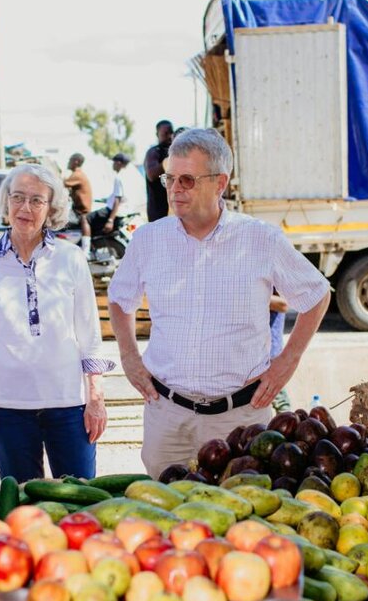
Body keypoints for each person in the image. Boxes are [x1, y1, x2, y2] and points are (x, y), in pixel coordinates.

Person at [109, 128, 330, 478]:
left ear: (220, 183)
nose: (175, 189)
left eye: (187, 180)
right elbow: (120, 299)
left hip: (241, 421)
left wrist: (287, 360)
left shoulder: (261, 239)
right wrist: (129, 357)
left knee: (242, 510)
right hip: (168, 418)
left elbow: (317, 295)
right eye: (169, 178)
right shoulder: (148, 240)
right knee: (163, 508)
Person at [0, 163, 113, 482]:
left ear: (52, 208)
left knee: (79, 497)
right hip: (4, 406)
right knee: (22, 500)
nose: (25, 207)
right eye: (18, 197)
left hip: (68, 404)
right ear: (6, 201)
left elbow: (90, 335)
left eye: (37, 200)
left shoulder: (70, 257)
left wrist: (95, 399)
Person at [87, 152, 130, 235]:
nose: (112, 165)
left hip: (114, 212)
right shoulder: (129, 176)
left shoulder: (119, 177)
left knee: (85, 219)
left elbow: (117, 199)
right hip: (127, 211)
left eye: (114, 162)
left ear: (118, 163)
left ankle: (86, 243)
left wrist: (110, 220)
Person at [144, 120, 174, 223]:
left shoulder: (175, 151)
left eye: (171, 132)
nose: (169, 136)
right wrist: (167, 162)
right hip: (158, 211)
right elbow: (151, 174)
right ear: (157, 134)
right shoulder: (154, 152)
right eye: (165, 133)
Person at [63, 153, 93, 255]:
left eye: (70, 160)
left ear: (76, 162)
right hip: (78, 208)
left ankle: (85, 250)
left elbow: (63, 183)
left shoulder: (77, 174)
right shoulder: (77, 174)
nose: (68, 162)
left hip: (82, 211)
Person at [269, 294, 292, 413]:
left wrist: (252, 296)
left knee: (282, 405)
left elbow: (283, 304)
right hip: (246, 352)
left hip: (269, 353)